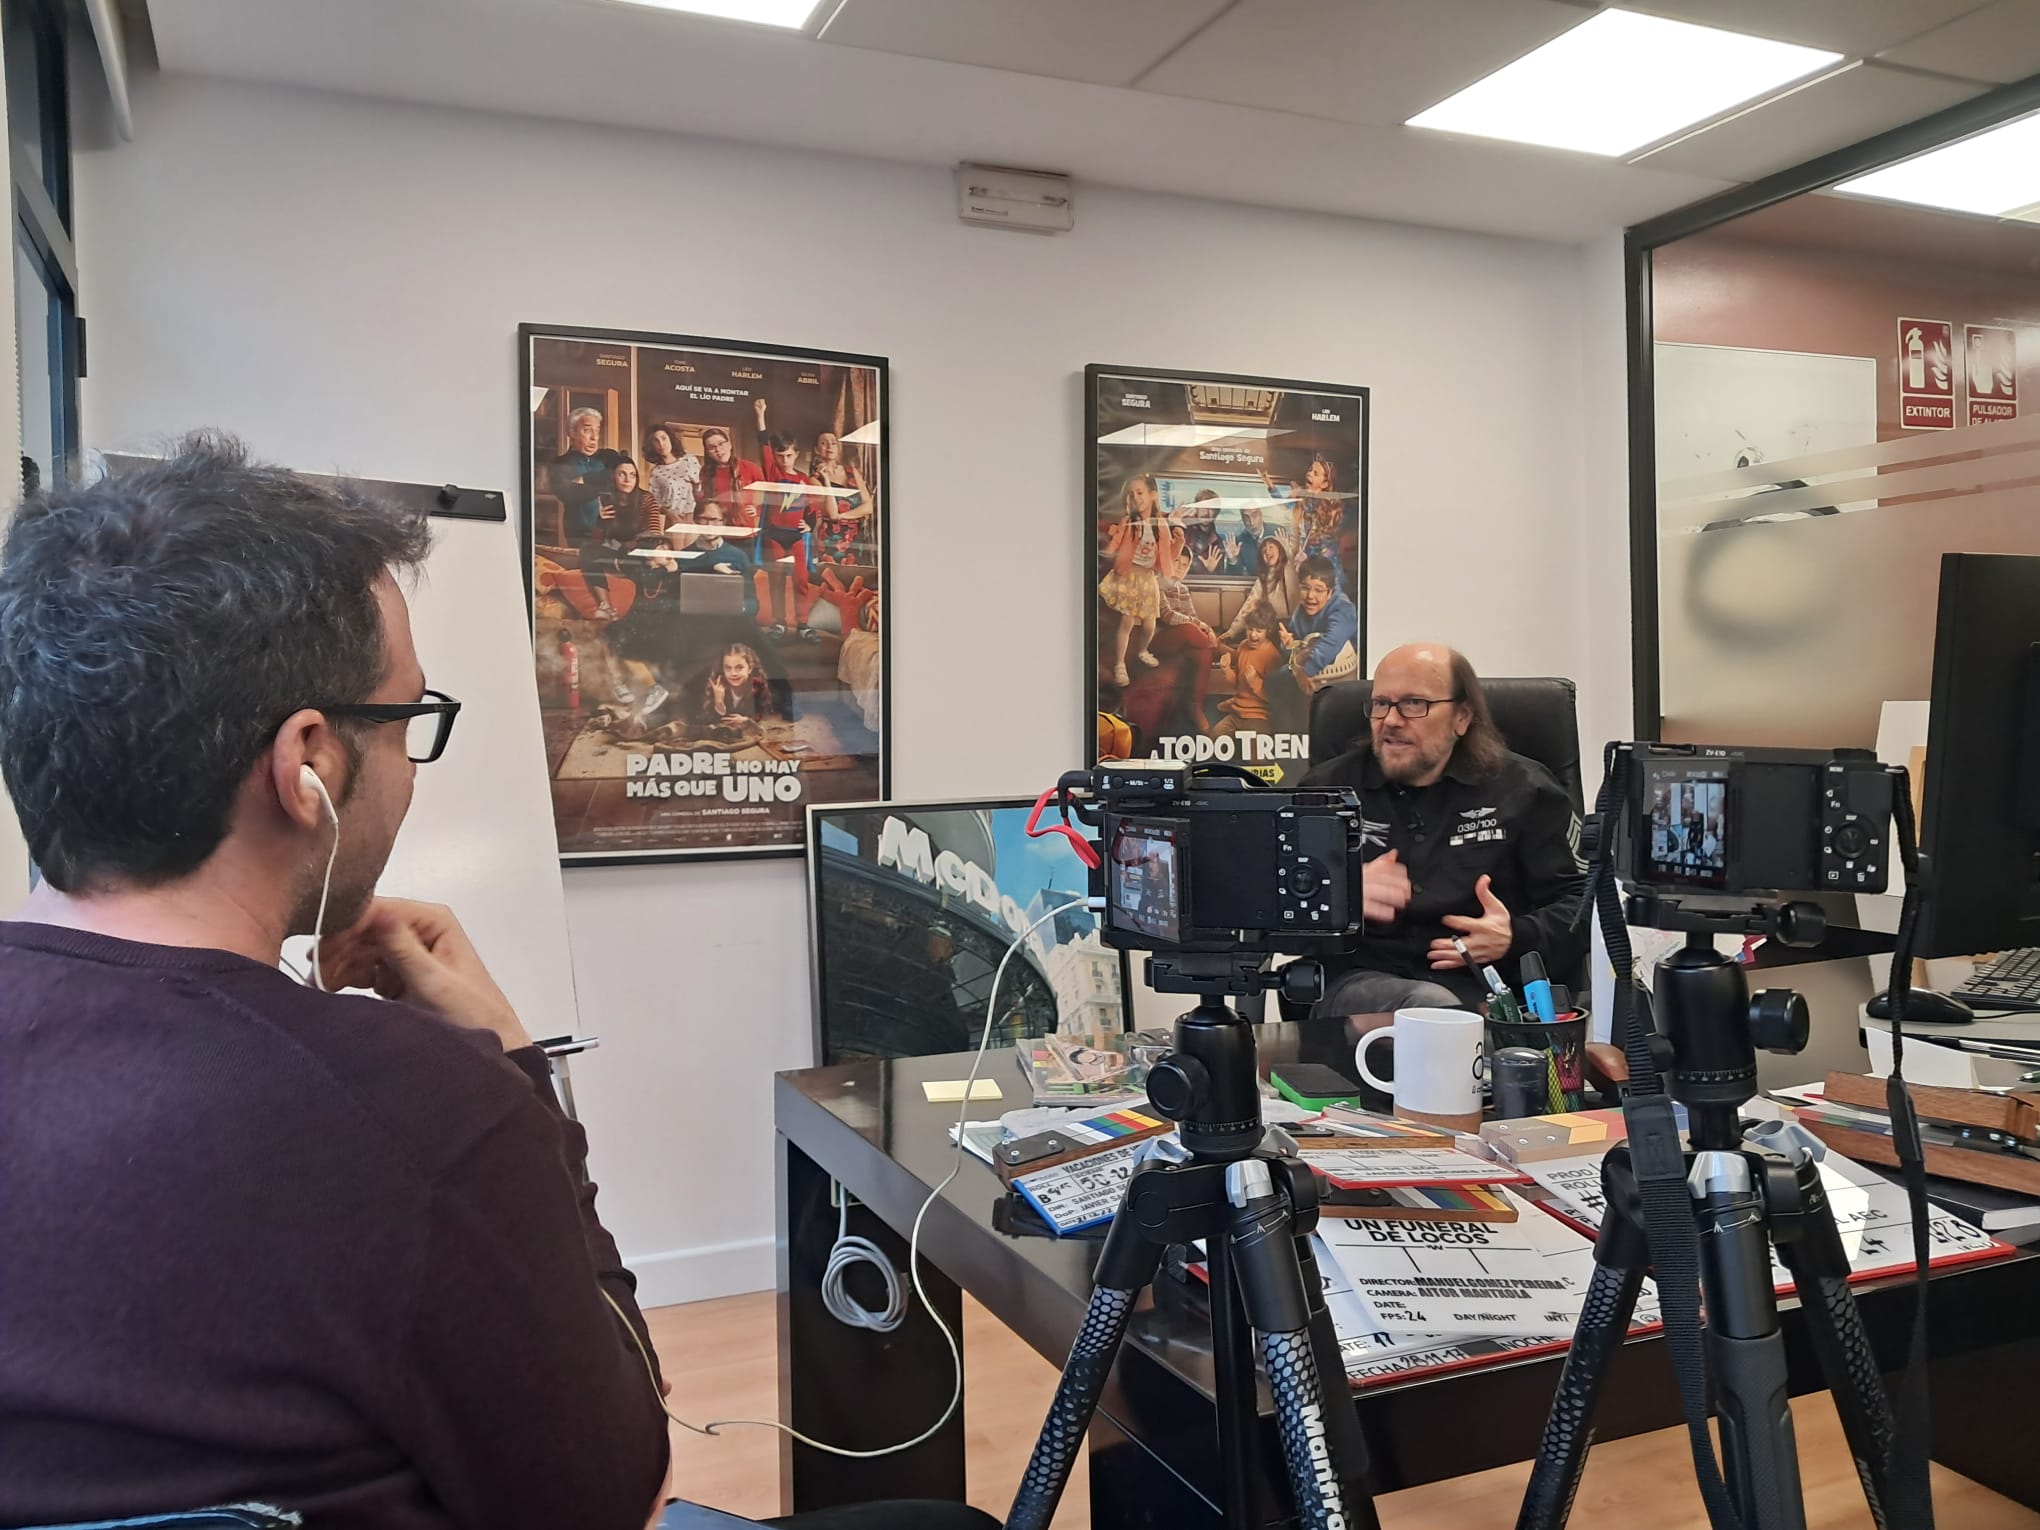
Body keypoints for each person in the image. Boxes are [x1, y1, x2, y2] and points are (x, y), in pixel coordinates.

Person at [0, 435, 996, 1530]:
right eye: (409, 720)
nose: (409, 770)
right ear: (309, 763)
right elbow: (619, 1492)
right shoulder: (415, 1107)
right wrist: (513, 1065)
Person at [1299, 643, 1588, 1014]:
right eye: (1381, 704)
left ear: (1462, 717)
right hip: (1362, 987)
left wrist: (1515, 937)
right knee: (1431, 1009)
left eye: (1414, 704)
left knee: (1455, 1019)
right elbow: (1262, 906)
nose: (1390, 720)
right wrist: (1338, 891)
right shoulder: (1325, 792)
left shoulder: (1525, 790)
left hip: (1496, 990)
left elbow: (1584, 904)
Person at [1149, 522, 1220, 734]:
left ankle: (1195, 707)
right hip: (1158, 639)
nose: (1179, 568)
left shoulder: (1183, 589)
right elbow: (1167, 615)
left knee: (1204, 653)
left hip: (1183, 640)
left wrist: (1202, 627)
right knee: (1190, 630)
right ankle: (1222, 647)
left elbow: (1192, 616)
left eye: (1184, 565)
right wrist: (1202, 627)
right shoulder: (1156, 582)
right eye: (1176, 562)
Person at [1099, 472, 1162, 688]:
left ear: (1153, 494)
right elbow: (1115, 543)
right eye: (1132, 494)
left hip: (1148, 578)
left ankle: (1143, 650)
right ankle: (1120, 664)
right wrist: (1106, 551)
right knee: (1127, 620)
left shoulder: (1160, 523)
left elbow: (1168, 548)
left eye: (1140, 492)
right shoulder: (1128, 522)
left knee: (1149, 623)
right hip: (1129, 575)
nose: (1136, 498)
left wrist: (1179, 537)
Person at [548, 405, 627, 547]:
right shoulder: (560, 463)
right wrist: (605, 486)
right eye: (587, 430)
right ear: (572, 432)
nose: (594, 437)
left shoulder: (609, 457)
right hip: (580, 536)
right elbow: (568, 493)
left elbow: (626, 478)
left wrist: (585, 479)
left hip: (615, 535)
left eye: (597, 431)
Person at [1213, 599, 1280, 740]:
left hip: (1260, 717)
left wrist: (1256, 683)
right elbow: (1237, 684)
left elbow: (1276, 698)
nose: (1253, 635)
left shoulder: (1272, 656)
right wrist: (1226, 669)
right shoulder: (1243, 646)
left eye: (1259, 631)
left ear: (1268, 631)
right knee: (1212, 739)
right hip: (1237, 712)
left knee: (1256, 752)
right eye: (1250, 629)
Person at [807, 427, 872, 567]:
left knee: (859, 576)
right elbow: (831, 513)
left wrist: (842, 516)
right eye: (824, 443)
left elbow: (868, 506)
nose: (829, 446)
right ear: (817, 449)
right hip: (831, 538)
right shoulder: (815, 480)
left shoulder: (852, 472)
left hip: (856, 536)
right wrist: (826, 481)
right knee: (834, 574)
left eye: (833, 443)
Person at [643, 425, 701, 525]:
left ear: (670, 439)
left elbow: (702, 490)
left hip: (693, 517)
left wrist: (696, 486)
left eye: (664, 438)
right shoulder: (656, 472)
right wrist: (668, 512)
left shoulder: (689, 460)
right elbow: (655, 503)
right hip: (672, 520)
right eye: (656, 441)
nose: (661, 444)